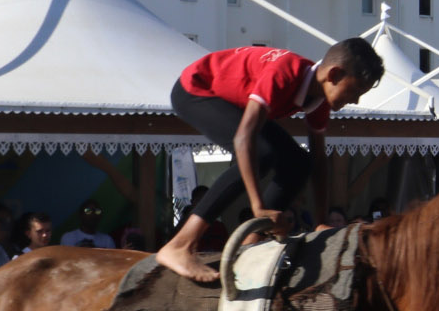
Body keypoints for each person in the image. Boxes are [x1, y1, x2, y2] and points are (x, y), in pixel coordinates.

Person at [156, 39, 382, 282]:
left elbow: (318, 161)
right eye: (355, 92)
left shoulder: (319, 100)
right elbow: (244, 137)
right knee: (262, 154)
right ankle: (180, 244)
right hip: (195, 90)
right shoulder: (286, 71)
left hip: (234, 103)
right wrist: (258, 206)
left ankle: (250, 244)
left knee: (298, 163)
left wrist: (320, 223)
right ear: (334, 75)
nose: (356, 101)